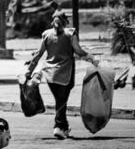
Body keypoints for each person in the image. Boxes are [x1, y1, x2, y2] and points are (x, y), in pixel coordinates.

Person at [26, 9, 98, 140]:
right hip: (66, 74)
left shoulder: (46, 34)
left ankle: (64, 127)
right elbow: (78, 51)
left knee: (60, 101)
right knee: (61, 102)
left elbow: (38, 55)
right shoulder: (71, 34)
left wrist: (29, 71)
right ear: (65, 22)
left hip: (50, 75)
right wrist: (90, 57)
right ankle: (58, 126)